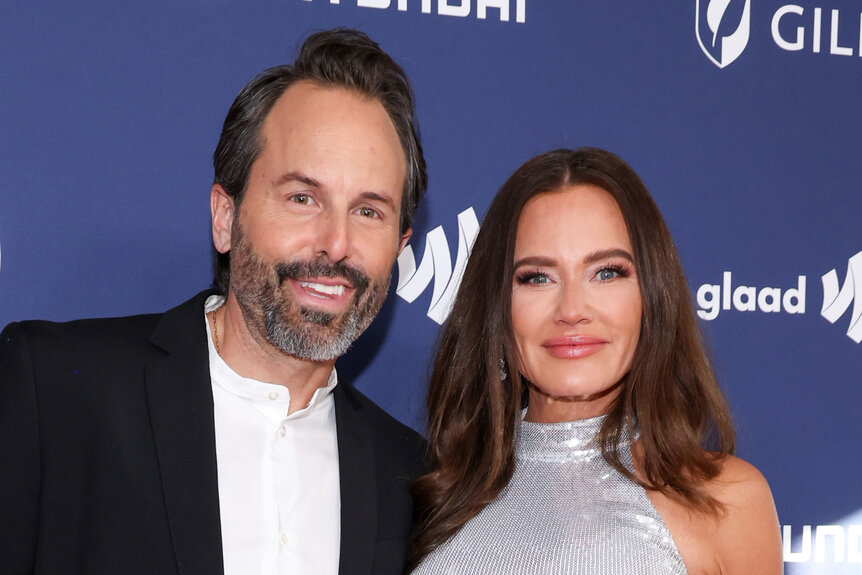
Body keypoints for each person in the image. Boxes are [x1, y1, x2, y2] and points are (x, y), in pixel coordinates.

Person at [0, 28, 427, 575]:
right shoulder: (57, 391)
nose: (337, 244)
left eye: (369, 211)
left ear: (400, 246)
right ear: (226, 217)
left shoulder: (410, 475)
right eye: (303, 198)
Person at [407, 148, 782, 574]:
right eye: (537, 277)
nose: (571, 309)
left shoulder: (727, 501)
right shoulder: (438, 495)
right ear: (496, 308)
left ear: (651, 297)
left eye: (606, 272)